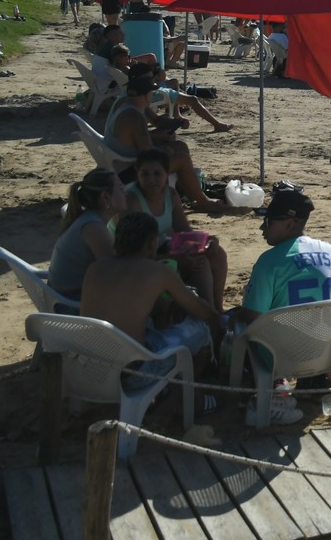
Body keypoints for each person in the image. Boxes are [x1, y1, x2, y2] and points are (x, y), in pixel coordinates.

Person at [231, 188, 331, 426]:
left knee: (238, 326)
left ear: (290, 223)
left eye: (268, 221)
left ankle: (268, 390)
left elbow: (253, 314)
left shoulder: (269, 262)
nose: (262, 228)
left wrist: (234, 316)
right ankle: (316, 379)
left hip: (282, 357)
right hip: (328, 351)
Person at [79, 211, 221, 402]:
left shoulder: (95, 268)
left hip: (89, 368)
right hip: (134, 375)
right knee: (201, 329)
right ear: (152, 242)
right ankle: (185, 399)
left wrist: (168, 304)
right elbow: (203, 312)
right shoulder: (157, 272)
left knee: (159, 318)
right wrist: (216, 319)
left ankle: (166, 390)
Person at [104, 72, 228, 212]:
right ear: (145, 95)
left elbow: (143, 134)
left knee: (179, 146)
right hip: (128, 172)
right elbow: (148, 156)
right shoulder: (134, 117)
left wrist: (172, 125)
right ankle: (204, 202)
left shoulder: (128, 104)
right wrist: (164, 150)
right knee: (182, 159)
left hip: (123, 160)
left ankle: (190, 192)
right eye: (152, 93)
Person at [125, 148, 229, 312]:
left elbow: (184, 232)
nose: (151, 180)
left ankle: (217, 308)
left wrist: (207, 240)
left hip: (163, 247)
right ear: (137, 174)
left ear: (167, 174)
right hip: (140, 258)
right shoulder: (132, 201)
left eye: (157, 174)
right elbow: (133, 255)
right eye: (145, 174)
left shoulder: (170, 195)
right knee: (200, 264)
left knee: (217, 253)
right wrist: (177, 259)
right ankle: (210, 313)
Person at [48, 168, 128, 301]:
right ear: (105, 197)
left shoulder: (91, 218)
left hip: (62, 294)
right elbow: (116, 272)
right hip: (70, 303)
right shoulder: (93, 227)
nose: (125, 192)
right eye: (120, 188)